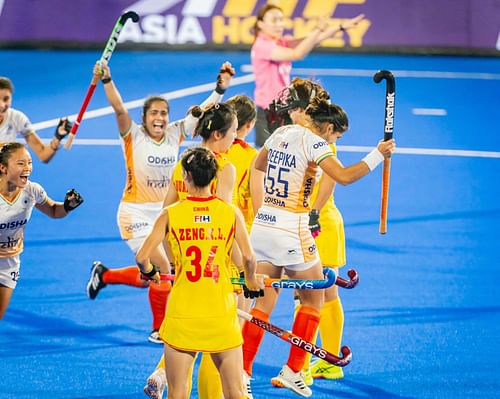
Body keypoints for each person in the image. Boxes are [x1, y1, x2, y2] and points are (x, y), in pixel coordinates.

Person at [242, 97, 396, 398]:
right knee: (315, 300)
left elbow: (256, 167)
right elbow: (345, 177)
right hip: (293, 230)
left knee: (262, 306)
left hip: (263, 227)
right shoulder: (316, 143)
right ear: (327, 127)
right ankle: (293, 371)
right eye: (336, 135)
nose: (334, 141)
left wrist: (263, 208)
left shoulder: (281, 132)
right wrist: (378, 154)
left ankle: (242, 373)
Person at [85, 61, 234, 344]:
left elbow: (203, 111)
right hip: (134, 213)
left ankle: (104, 275)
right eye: (154, 113)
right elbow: (119, 109)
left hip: (165, 212)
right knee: (163, 270)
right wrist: (107, 79)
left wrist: (220, 89)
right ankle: (159, 329)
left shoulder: (175, 133)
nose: (160, 117)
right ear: (144, 117)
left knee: (156, 276)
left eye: (164, 113)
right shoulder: (133, 135)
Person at [136, 147, 264, 399]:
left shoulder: (170, 214)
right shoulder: (230, 212)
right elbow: (249, 258)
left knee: (178, 393)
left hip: (182, 314)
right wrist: (250, 280)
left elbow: (142, 257)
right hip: (220, 313)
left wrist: (151, 271)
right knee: (235, 392)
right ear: (214, 177)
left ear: (186, 176)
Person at [144, 101, 240, 399]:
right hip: (219, 270)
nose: (235, 138)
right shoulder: (224, 168)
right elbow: (222, 222)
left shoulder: (182, 163)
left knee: (183, 337)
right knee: (219, 345)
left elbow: (167, 216)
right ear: (217, 135)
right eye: (233, 132)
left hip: (187, 267)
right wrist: (241, 273)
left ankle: (163, 371)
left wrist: (178, 262)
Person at [267, 78, 349, 388]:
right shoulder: (307, 134)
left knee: (309, 297)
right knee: (323, 295)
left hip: (319, 225)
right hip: (316, 223)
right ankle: (327, 361)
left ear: (305, 111)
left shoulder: (320, 138)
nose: (288, 114)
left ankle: (301, 367)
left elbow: (329, 181)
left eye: (293, 110)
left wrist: (311, 215)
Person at [251, 4, 364, 147]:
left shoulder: (279, 41)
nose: (279, 24)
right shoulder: (262, 45)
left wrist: (339, 27)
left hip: (285, 107)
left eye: (281, 20)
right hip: (270, 112)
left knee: (290, 152)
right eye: (274, 20)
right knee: (269, 158)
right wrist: (318, 29)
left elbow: (312, 40)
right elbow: (296, 54)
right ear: (261, 24)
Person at [0, 142, 83, 319]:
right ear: (3, 168)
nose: (28, 168)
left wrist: (68, 206)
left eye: (29, 162)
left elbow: (54, 210)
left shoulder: (31, 190)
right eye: (21, 163)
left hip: (9, 261)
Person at [0, 77, 72, 163]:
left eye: (6, 99)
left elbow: (43, 154)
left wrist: (57, 137)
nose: (2, 105)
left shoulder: (16, 117)